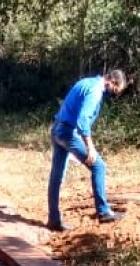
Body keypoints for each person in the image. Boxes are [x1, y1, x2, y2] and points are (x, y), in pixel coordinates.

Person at [47, 69, 128, 231]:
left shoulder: (86, 82)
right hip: (68, 132)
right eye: (116, 90)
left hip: (57, 129)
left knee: (56, 176)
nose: (114, 94)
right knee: (99, 166)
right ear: (111, 82)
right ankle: (104, 212)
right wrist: (90, 148)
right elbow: (83, 120)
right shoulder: (95, 91)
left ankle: (54, 219)